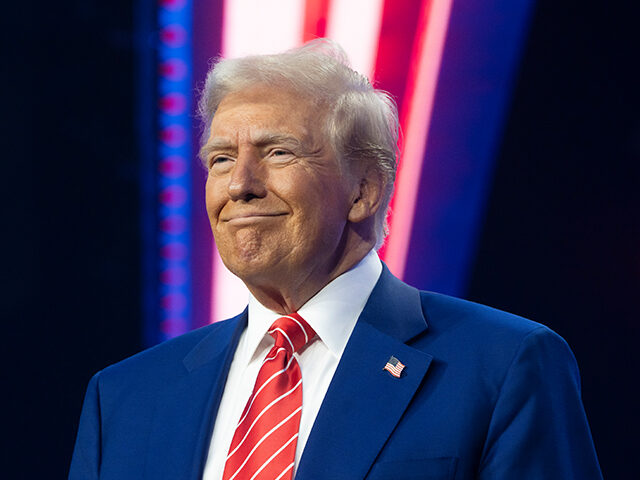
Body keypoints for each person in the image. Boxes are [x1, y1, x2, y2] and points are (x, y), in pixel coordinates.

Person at [69, 40, 603, 480]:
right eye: (221, 159)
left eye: (278, 152)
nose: (240, 185)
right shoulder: (123, 399)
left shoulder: (504, 366)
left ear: (363, 190)